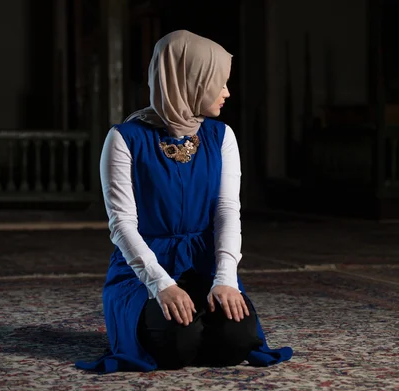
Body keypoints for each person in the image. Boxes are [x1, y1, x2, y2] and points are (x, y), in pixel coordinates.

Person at [75, 30, 293, 373]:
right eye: (219, 82)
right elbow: (121, 225)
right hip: (143, 271)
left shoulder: (222, 137)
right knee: (177, 345)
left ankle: (200, 323)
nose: (227, 92)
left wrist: (225, 278)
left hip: (202, 263)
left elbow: (226, 212)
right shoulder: (124, 139)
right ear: (188, 80)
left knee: (237, 341)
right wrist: (160, 284)